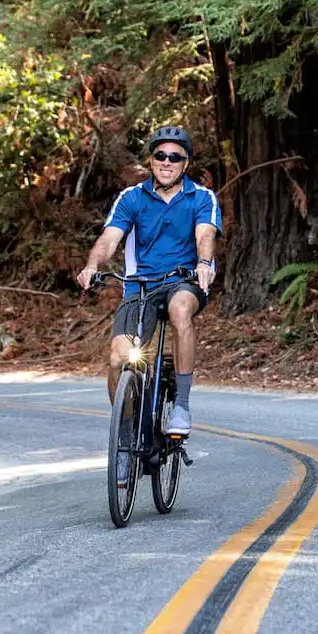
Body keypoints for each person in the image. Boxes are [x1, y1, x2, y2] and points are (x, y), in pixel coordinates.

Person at [77, 125, 222, 450]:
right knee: (118, 358)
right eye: (160, 155)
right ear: (152, 160)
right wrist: (92, 266)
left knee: (180, 309)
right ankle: (125, 435)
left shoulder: (201, 197)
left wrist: (203, 264)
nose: (167, 162)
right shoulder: (132, 198)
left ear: (185, 163)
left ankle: (181, 406)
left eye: (175, 157)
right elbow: (109, 238)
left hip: (184, 280)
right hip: (140, 287)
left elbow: (205, 234)